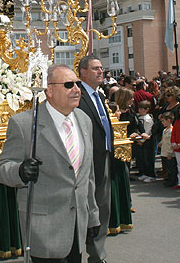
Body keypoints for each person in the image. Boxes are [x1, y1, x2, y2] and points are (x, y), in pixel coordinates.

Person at [0, 65, 100, 263]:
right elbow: (1, 169)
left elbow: (88, 175)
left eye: (78, 84)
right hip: (44, 228)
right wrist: (20, 171)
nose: (77, 89)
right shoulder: (24, 124)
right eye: (69, 85)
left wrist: (92, 216)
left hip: (77, 226)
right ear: (49, 90)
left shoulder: (84, 120)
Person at [77, 55, 112, 263]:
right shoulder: (78, 96)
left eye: (101, 68)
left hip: (104, 158)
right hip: (85, 163)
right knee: (87, 209)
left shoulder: (100, 95)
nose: (101, 72)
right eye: (95, 68)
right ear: (83, 72)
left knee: (102, 208)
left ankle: (98, 255)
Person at [158, 112, 177, 188]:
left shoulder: (172, 130)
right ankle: (168, 178)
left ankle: (172, 181)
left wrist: (170, 153)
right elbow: (164, 139)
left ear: (168, 120)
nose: (162, 123)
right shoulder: (165, 130)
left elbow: (171, 142)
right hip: (164, 151)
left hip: (169, 153)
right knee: (167, 167)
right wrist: (161, 143)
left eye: (163, 121)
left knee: (171, 168)